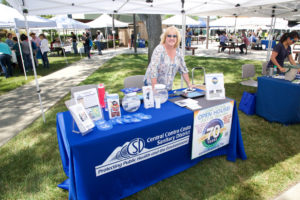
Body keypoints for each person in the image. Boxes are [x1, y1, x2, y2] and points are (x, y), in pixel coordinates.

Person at [144, 26, 192, 91]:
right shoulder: (159, 49)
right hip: (152, 86)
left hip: (167, 88)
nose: (172, 38)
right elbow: (153, 71)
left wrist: (189, 84)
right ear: (165, 37)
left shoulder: (178, 52)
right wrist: (154, 89)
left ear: (177, 38)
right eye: (169, 36)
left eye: (174, 36)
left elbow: (183, 69)